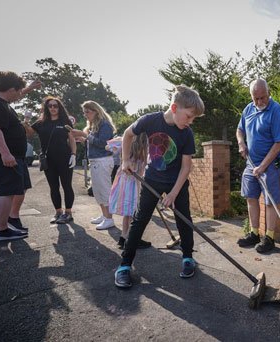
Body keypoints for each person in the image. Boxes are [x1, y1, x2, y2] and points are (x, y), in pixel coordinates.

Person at [114, 84, 205, 288]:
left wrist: (173, 193)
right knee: (140, 220)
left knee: (185, 220)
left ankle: (188, 258)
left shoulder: (186, 133)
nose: (190, 122)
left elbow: (186, 167)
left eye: (193, 119)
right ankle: (124, 265)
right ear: (174, 108)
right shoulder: (150, 120)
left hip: (177, 182)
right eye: (189, 116)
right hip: (153, 179)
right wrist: (125, 160)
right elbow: (128, 134)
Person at [0, 71, 41, 241]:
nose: (20, 95)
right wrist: (5, 153)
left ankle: (9, 221)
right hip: (4, 158)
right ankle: (1, 230)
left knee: (16, 189)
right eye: (19, 91)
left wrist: (29, 88)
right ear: (11, 89)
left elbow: (16, 96)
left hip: (15, 157)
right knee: (6, 192)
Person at [236, 78, 280, 253]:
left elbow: (279, 143)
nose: (259, 102)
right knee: (251, 197)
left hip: (271, 164)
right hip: (251, 163)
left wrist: (263, 166)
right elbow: (239, 129)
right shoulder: (248, 110)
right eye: (256, 98)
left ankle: (270, 237)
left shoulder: (276, 111)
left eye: (263, 97)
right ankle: (254, 233)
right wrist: (241, 143)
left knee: (270, 200)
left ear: (269, 92)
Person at [23, 96, 77, 224]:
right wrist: (26, 120)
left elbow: (72, 138)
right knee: (53, 187)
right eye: (50, 106)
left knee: (67, 185)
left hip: (64, 158)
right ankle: (58, 212)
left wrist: (73, 154)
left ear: (59, 108)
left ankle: (68, 213)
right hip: (48, 160)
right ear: (46, 108)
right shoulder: (41, 122)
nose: (53, 108)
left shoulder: (65, 121)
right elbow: (29, 133)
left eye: (55, 106)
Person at [70, 101, 116, 230]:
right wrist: (85, 140)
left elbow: (103, 143)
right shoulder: (95, 124)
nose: (85, 114)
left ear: (96, 111)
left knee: (104, 190)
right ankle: (104, 215)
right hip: (97, 160)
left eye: (87, 112)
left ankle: (109, 218)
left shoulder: (104, 124)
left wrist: (85, 135)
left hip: (102, 160)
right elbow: (96, 143)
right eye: (84, 112)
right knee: (97, 190)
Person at [107, 135, 151, 249]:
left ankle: (123, 238)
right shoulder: (145, 150)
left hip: (123, 182)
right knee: (133, 212)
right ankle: (132, 239)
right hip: (133, 183)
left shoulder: (126, 142)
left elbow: (108, 146)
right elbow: (142, 171)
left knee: (128, 212)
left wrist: (121, 143)